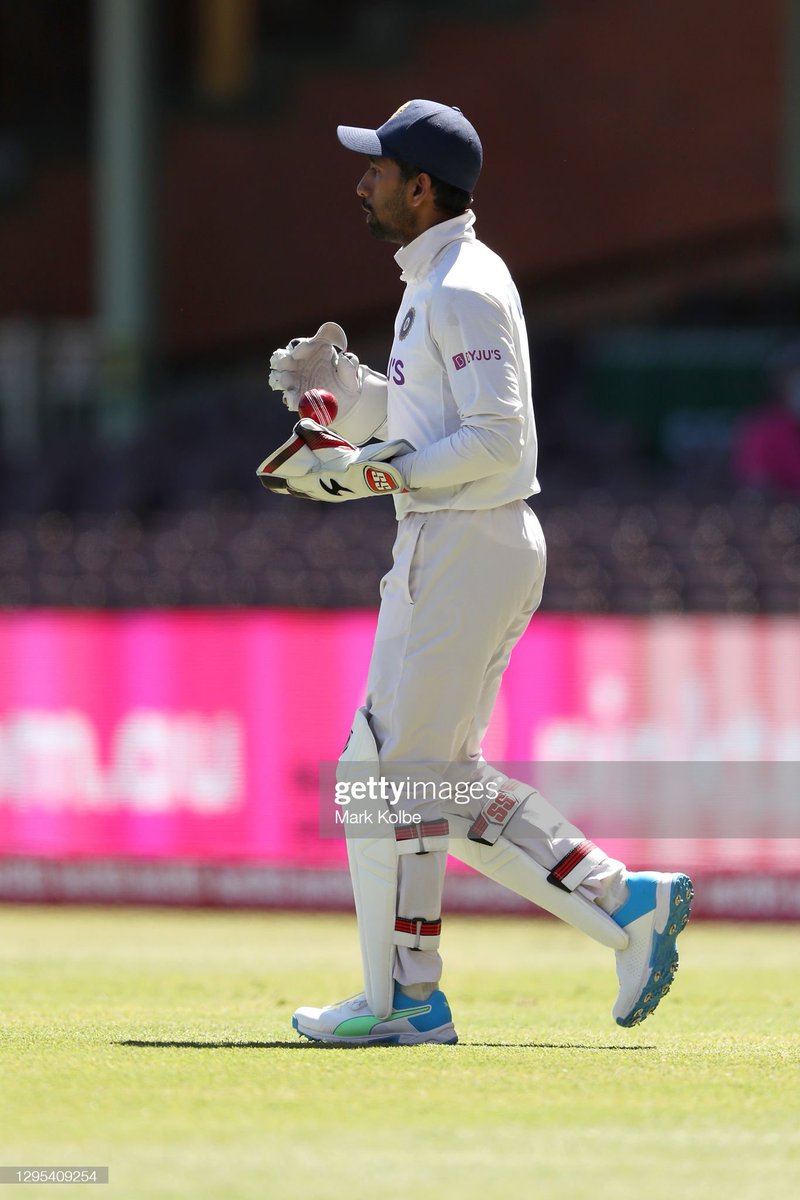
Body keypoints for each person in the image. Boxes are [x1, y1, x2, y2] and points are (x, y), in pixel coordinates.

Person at [262, 100, 692, 1046]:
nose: (362, 182)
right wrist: (351, 395)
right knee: (434, 785)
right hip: (458, 542)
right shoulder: (440, 279)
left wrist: (364, 471)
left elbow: (500, 439)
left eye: (378, 170)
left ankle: (405, 1001)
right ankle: (624, 905)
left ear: (422, 188)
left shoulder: (458, 284)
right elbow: (437, 421)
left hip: (465, 541)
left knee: (387, 778)